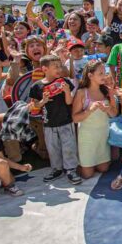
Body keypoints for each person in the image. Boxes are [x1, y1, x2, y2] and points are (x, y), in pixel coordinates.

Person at [28, 55, 81, 185]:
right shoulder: (37, 86)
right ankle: (57, 169)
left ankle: (71, 169)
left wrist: (67, 91)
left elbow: (69, 102)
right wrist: (42, 101)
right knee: (53, 148)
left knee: (69, 146)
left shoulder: (64, 81)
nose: (59, 69)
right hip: (48, 123)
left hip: (65, 121)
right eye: (55, 67)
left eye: (60, 66)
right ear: (44, 69)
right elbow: (35, 105)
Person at [73, 61, 117, 179]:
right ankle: (75, 166)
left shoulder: (107, 91)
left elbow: (114, 113)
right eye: (100, 73)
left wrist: (107, 109)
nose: (104, 76)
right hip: (87, 136)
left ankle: (91, 163)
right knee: (87, 175)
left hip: (103, 135)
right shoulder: (81, 93)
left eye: (105, 73)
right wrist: (89, 110)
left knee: (104, 169)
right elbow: (75, 118)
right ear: (90, 76)